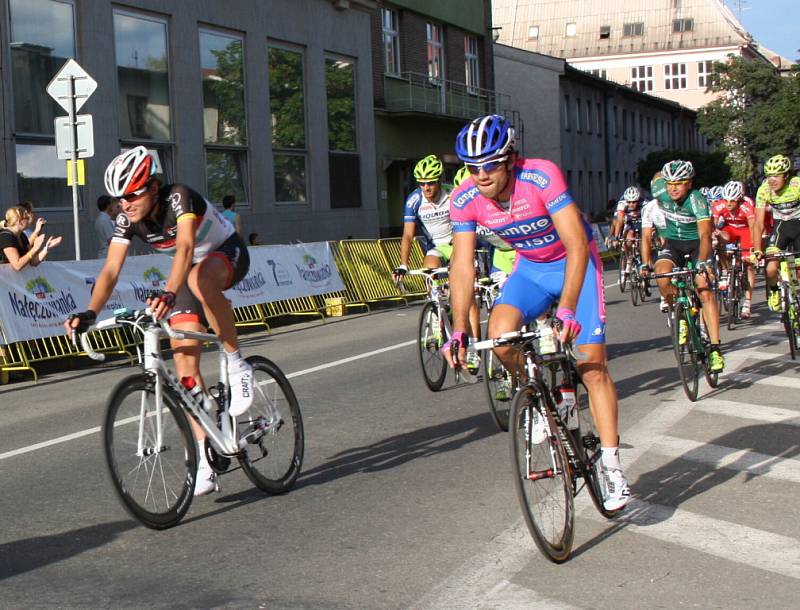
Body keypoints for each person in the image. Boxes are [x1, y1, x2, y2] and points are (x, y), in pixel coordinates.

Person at [445, 114, 630, 511]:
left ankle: (613, 467)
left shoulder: (541, 177)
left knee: (591, 364)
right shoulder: (464, 198)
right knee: (500, 336)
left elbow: (578, 244)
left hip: (573, 265)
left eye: (490, 164)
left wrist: (566, 309)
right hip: (529, 269)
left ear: (510, 159)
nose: (480, 174)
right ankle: (543, 396)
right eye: (472, 167)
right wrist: (459, 328)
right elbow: (461, 266)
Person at [63, 146, 251, 496]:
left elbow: (184, 249)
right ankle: (205, 459)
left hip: (226, 253)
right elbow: (111, 270)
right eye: (120, 199)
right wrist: (90, 311)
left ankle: (236, 362)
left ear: (153, 186)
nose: (125, 204)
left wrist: (166, 292)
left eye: (133, 194)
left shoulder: (179, 198)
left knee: (198, 280)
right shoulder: (126, 218)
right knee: (184, 366)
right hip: (188, 273)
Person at [392, 154, 482, 371]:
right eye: (422, 184)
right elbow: (407, 236)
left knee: (464, 294)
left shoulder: (453, 194)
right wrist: (403, 264)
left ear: (440, 180)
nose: (426, 188)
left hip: (457, 242)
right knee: (429, 268)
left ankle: (474, 350)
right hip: (434, 246)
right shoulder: (414, 201)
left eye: (431, 182)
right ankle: (435, 314)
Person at [640, 160, 724, 373]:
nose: (673, 188)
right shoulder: (660, 194)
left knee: (703, 286)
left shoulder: (697, 200)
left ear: (690, 183)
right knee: (662, 274)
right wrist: (644, 261)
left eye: (679, 183)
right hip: (673, 244)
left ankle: (715, 348)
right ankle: (679, 315)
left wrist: (704, 262)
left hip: (697, 245)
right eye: (670, 183)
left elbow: (705, 235)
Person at [752, 154, 800, 311]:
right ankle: (774, 291)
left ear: (786, 176)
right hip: (781, 228)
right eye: (768, 176)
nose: (771, 180)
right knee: (770, 268)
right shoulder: (764, 190)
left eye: (776, 176)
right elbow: (758, 223)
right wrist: (758, 249)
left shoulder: (796, 185)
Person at [712, 180, 756, 318]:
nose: (728, 203)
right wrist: (713, 236)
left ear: (739, 199)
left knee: (748, 264)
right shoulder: (720, 206)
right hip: (730, 229)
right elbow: (712, 226)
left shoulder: (747, 206)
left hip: (746, 231)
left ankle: (748, 302)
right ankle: (725, 270)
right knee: (718, 239)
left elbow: (754, 227)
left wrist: (754, 247)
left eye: (732, 200)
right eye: (726, 200)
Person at [0, 205, 62, 269]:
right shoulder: (6, 236)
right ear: (19, 221)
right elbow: (17, 265)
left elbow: (33, 262)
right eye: (27, 218)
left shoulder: (22, 236)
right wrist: (35, 248)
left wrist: (46, 248)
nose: (29, 220)